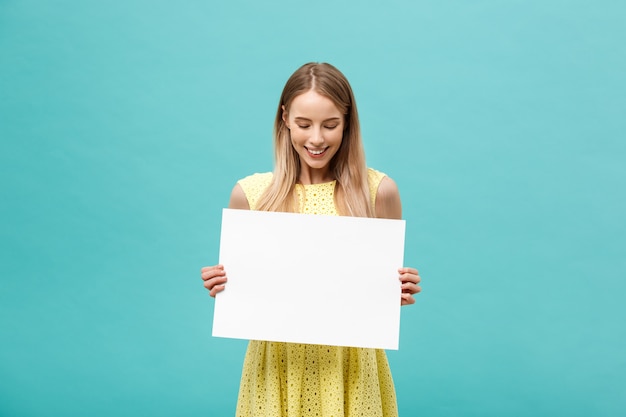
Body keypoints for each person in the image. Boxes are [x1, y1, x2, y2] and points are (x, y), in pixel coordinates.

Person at [201, 62, 421, 417]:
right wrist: (223, 284)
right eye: (304, 125)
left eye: (330, 125)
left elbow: (378, 299)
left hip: (350, 369)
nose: (316, 139)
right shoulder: (251, 195)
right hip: (276, 370)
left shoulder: (378, 192)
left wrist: (396, 292)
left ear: (348, 122)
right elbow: (246, 292)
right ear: (285, 118)